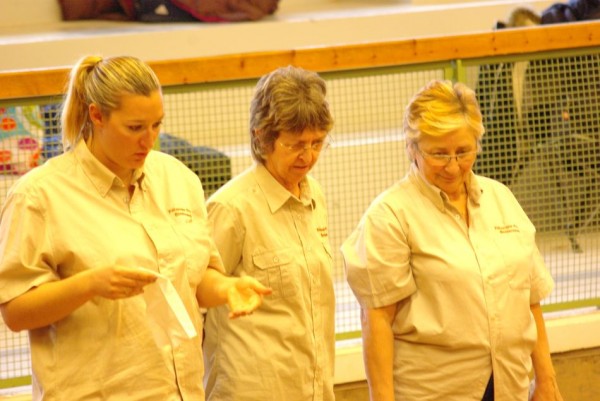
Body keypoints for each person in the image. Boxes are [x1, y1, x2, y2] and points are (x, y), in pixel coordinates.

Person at [0, 55, 271, 401]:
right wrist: (90, 283)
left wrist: (228, 288)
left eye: (157, 125)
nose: (149, 139)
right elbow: (16, 311)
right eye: (134, 127)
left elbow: (195, 278)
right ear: (96, 115)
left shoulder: (179, 178)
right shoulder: (38, 196)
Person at [341, 79, 564, 401]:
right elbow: (376, 320)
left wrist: (546, 380)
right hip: (435, 390)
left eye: (463, 152)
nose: (453, 166)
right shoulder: (390, 216)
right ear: (412, 149)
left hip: (508, 385)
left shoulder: (501, 199)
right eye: (439, 154)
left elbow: (530, 299)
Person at [202, 65, 335, 400]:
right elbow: (195, 300)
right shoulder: (231, 209)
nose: (308, 156)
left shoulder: (314, 194)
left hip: (313, 388)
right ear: (261, 137)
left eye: (317, 142)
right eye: (295, 145)